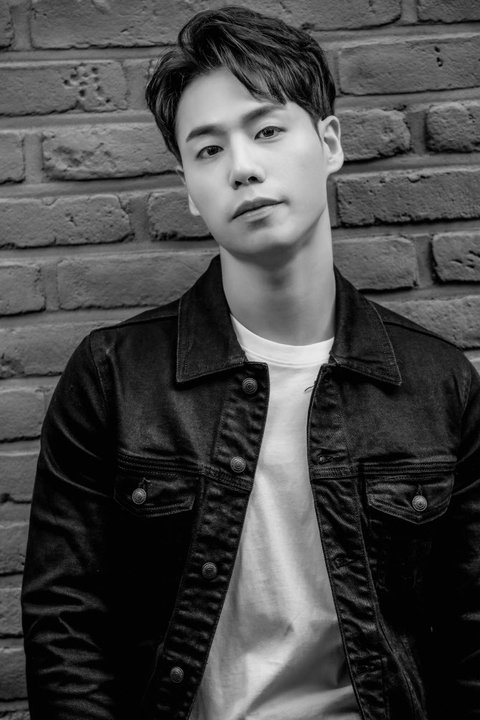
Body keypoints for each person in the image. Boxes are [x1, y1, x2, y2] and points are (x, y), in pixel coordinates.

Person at [21, 6, 480, 720]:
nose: (242, 168)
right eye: (208, 150)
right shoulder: (113, 377)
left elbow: (470, 640)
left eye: (267, 130)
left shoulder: (439, 385)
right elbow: (66, 627)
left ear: (329, 144)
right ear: (188, 190)